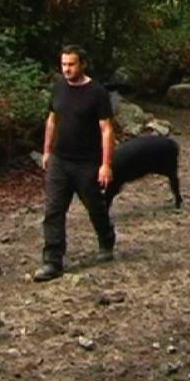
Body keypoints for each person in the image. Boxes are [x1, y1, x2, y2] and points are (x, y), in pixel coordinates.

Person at [34, 44, 115, 282]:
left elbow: (107, 130)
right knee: (53, 210)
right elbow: (52, 120)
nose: (67, 69)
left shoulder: (97, 93)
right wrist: (46, 151)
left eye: (71, 64)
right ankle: (52, 261)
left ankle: (106, 239)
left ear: (82, 64)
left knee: (95, 206)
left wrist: (106, 164)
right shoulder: (58, 88)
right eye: (63, 64)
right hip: (60, 160)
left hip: (87, 162)